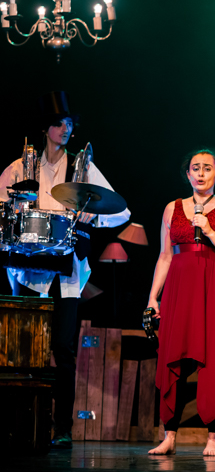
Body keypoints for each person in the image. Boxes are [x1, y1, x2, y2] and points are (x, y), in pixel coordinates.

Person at [0, 91, 130, 449]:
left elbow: (122, 211)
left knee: (63, 348)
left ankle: (63, 427)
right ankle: (23, 423)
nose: (66, 129)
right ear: (46, 129)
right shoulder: (19, 167)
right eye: (59, 124)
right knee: (24, 351)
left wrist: (93, 213)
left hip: (67, 275)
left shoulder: (82, 168)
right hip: (28, 272)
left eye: (70, 123)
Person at [146, 149, 215, 456]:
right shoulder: (171, 208)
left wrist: (210, 230)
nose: (200, 173)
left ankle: (213, 437)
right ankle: (169, 435)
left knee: (214, 358)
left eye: (207, 169)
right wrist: (153, 297)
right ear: (188, 174)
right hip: (179, 287)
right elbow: (164, 255)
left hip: (213, 287)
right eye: (195, 168)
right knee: (173, 357)